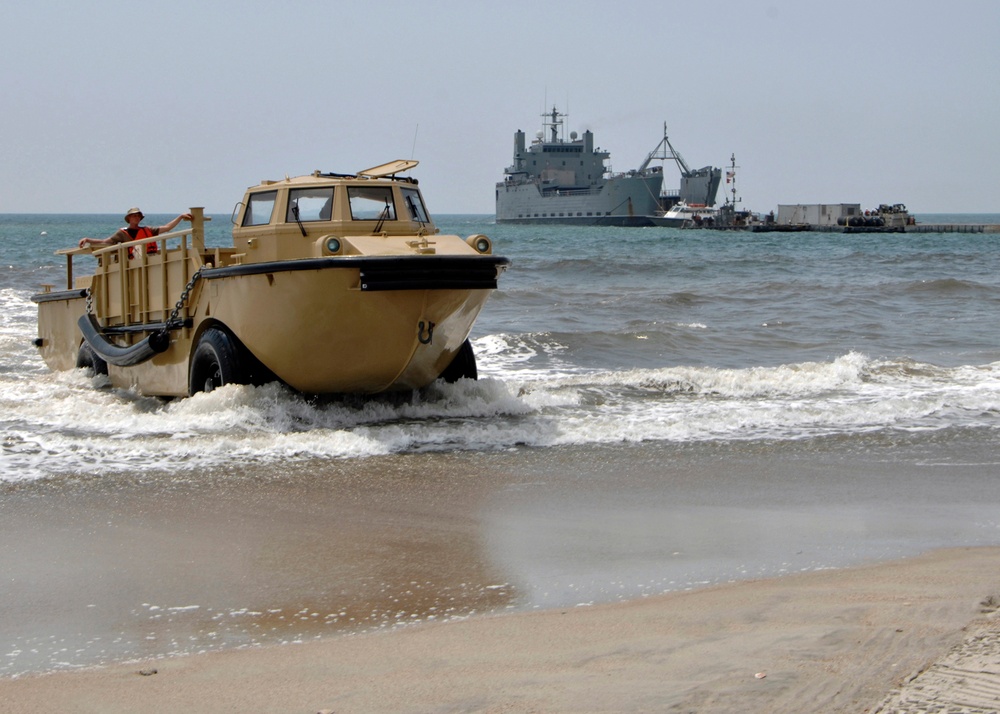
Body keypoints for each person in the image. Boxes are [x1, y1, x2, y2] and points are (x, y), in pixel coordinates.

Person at [78, 208, 193, 255]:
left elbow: (167, 228)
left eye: (138, 216)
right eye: (133, 216)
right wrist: (88, 239)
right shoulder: (122, 233)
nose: (136, 218)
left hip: (152, 258)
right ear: (129, 218)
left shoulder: (148, 230)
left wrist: (180, 217)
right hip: (135, 262)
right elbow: (106, 241)